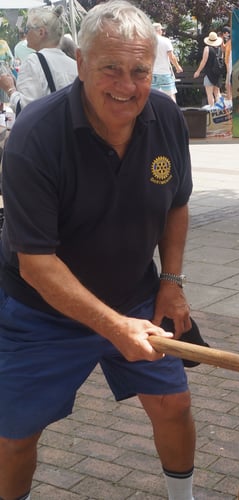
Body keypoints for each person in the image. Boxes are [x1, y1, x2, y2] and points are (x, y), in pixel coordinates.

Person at [0, 2, 196, 500]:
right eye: (110, 68)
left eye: (139, 71)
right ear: (81, 64)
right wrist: (112, 326)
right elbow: (36, 263)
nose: (126, 86)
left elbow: (176, 204)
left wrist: (171, 284)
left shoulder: (166, 116)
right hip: (40, 311)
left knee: (173, 404)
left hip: (136, 296)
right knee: (14, 435)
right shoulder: (35, 138)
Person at [0, 6, 78, 113]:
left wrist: (10, 89)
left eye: (28, 29)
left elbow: (25, 110)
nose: (25, 33)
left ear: (41, 32)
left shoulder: (33, 62)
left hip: (49, 129)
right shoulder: (74, 64)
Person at [152, 22, 183, 102]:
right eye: (161, 30)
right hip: (164, 72)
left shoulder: (148, 41)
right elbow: (171, 56)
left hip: (152, 72)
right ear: (159, 30)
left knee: (153, 96)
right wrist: (177, 67)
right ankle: (173, 113)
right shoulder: (165, 40)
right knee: (170, 95)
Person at [193, 31, 223, 108]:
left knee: (209, 93)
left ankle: (212, 109)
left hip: (209, 73)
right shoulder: (220, 49)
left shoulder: (207, 48)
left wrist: (198, 71)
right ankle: (219, 109)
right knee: (217, 92)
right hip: (218, 73)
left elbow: (204, 61)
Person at [221, 26, 232, 105]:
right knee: (227, 82)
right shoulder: (228, 41)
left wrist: (228, 67)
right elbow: (223, 49)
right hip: (228, 63)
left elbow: (230, 55)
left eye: (225, 33)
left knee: (228, 82)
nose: (225, 35)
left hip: (230, 63)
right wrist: (221, 41)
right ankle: (229, 97)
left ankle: (229, 97)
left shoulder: (231, 41)